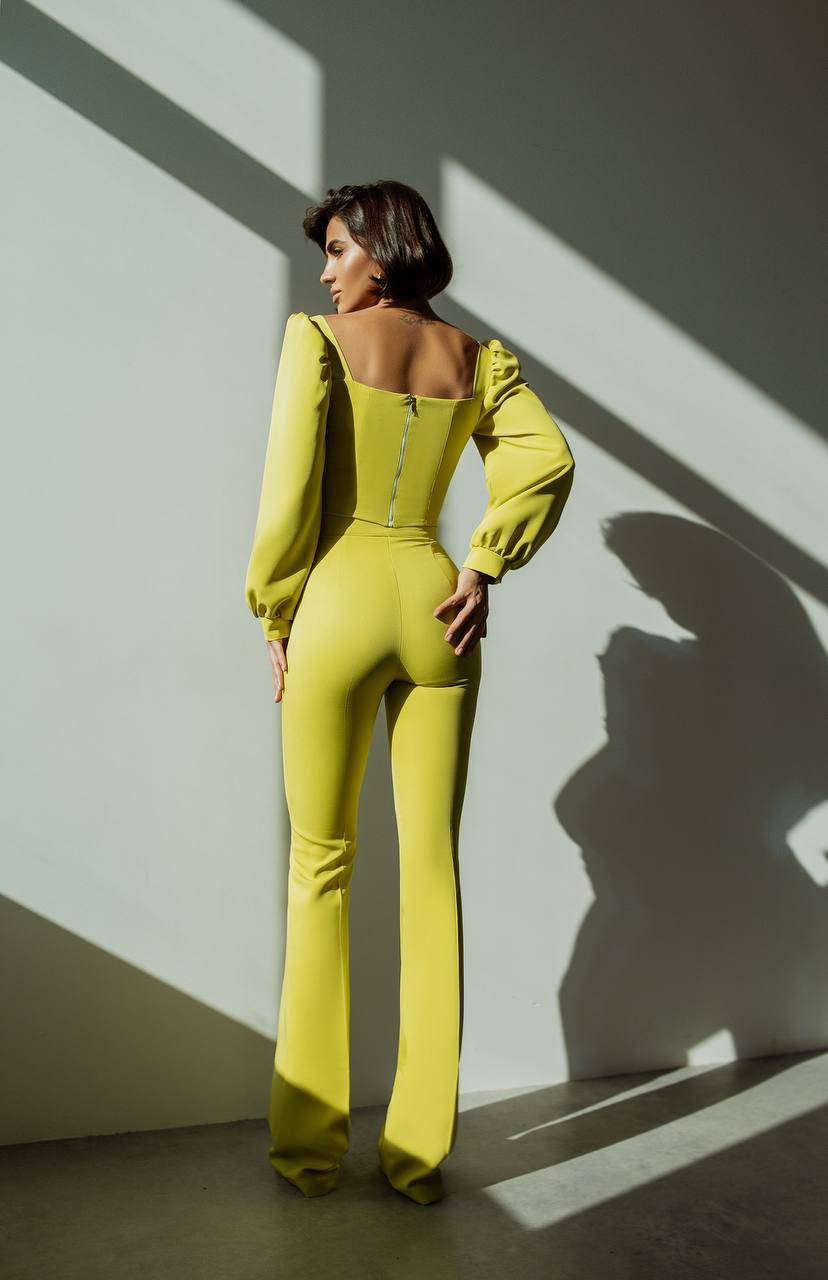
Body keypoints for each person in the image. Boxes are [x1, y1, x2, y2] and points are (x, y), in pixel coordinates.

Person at [244, 180, 575, 1205]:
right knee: (431, 868)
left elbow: (293, 493)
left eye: (339, 249)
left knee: (318, 866)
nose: (327, 269)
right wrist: (482, 562)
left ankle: (308, 1147)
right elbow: (547, 457)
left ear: (381, 254)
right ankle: (418, 1152)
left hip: (340, 602)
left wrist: (275, 610)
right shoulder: (477, 359)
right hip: (439, 608)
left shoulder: (316, 342)